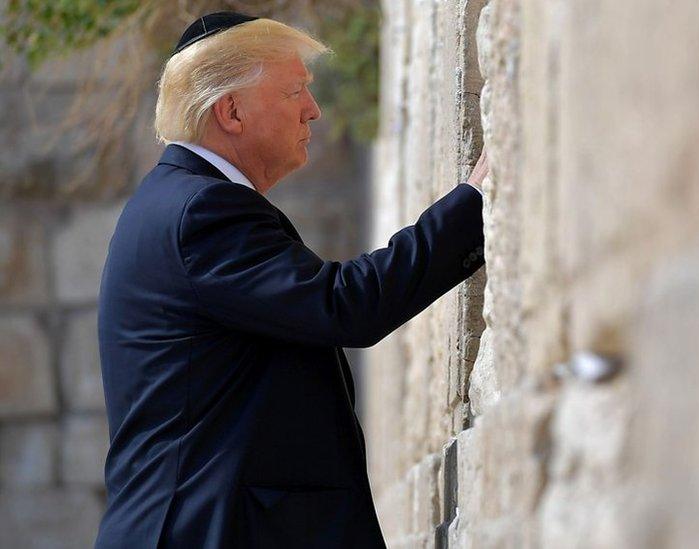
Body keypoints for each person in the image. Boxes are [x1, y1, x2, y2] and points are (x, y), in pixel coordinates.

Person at [94, 12, 487, 548]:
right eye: (294, 91)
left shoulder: (178, 203)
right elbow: (345, 305)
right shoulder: (200, 212)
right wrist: (476, 205)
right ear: (231, 111)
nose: (314, 110)